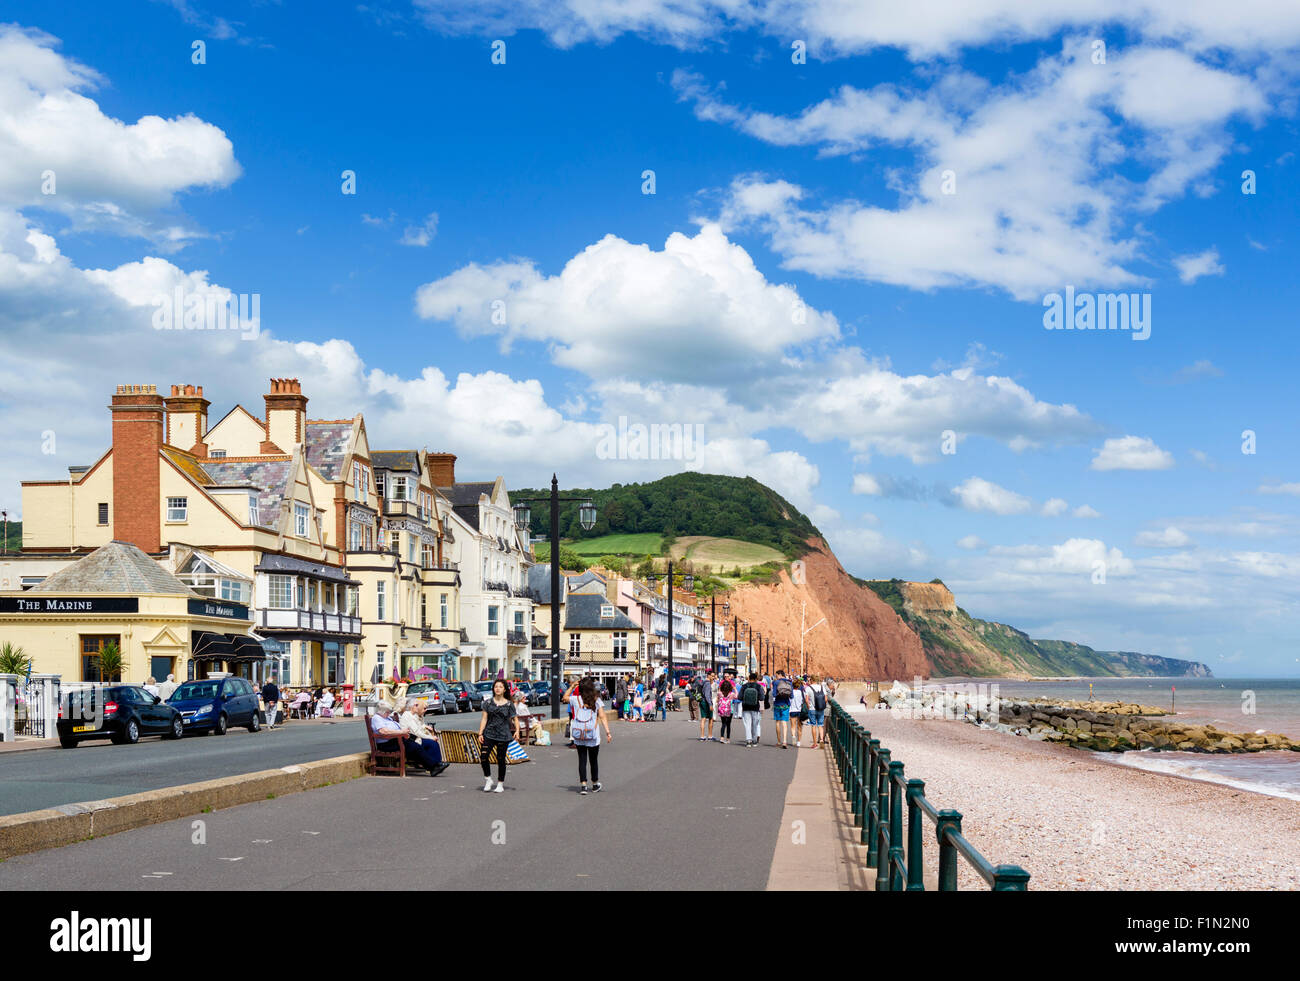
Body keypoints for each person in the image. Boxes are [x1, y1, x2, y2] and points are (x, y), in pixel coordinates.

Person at [371, 702, 447, 775]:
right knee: (415, 747)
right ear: (382, 712)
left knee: (416, 746)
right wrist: (401, 732)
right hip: (387, 744)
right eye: (387, 712)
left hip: (396, 740)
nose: (388, 714)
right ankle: (433, 766)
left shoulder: (386, 718)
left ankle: (434, 765)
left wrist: (403, 733)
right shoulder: (377, 718)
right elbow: (384, 731)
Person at [569, 676, 612, 795]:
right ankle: (594, 784)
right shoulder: (596, 700)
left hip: (579, 734)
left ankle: (583, 785)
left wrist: (573, 686)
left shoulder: (576, 699)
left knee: (582, 760)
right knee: (593, 760)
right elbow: (603, 717)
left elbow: (564, 697)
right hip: (592, 735)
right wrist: (608, 732)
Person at [478, 679, 518, 793]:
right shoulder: (488, 703)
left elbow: (515, 719)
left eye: (500, 687)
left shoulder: (509, 704)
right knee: (484, 757)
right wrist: (480, 733)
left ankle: (500, 784)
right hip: (489, 733)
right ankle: (488, 779)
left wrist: (517, 731)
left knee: (500, 759)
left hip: (503, 734)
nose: (498, 688)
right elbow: (484, 718)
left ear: (504, 689)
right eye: (496, 687)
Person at [739, 673, 765, 747]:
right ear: (756, 679)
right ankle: (754, 740)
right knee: (755, 724)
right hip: (755, 707)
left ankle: (748, 740)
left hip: (746, 707)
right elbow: (762, 698)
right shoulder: (758, 686)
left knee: (747, 724)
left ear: (749, 678)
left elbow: (739, 697)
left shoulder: (744, 686)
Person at [771, 670, 794, 749]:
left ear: (779, 675)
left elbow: (774, 694)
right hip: (786, 705)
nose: (776, 677)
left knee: (777, 722)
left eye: (776, 675)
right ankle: (785, 741)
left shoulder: (776, 682)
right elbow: (791, 696)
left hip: (777, 704)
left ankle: (778, 741)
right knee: (784, 723)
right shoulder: (790, 683)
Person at [697, 670, 717, 742]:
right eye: (712, 676)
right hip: (706, 702)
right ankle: (710, 736)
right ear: (708, 676)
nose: (713, 677)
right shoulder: (708, 684)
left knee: (703, 718)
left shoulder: (702, 682)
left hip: (701, 701)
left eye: (714, 676)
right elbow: (707, 695)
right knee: (710, 719)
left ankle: (702, 736)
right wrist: (710, 704)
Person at [789, 678, 806, 748]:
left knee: (793, 726)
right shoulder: (801, 693)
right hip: (799, 710)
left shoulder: (791, 692)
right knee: (799, 727)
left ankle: (793, 737)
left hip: (792, 710)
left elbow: (789, 701)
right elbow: (803, 701)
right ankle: (798, 742)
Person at [716, 677, 734, 744]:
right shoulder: (731, 694)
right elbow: (737, 696)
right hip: (730, 710)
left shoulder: (720, 693)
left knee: (723, 724)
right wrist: (734, 688)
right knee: (728, 725)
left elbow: (717, 699)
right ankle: (728, 739)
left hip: (722, 710)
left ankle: (722, 737)